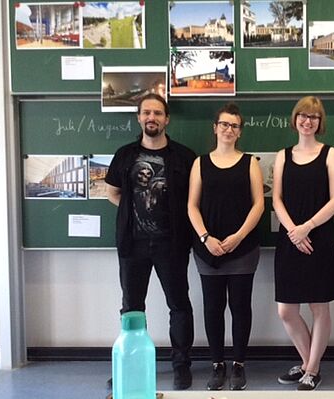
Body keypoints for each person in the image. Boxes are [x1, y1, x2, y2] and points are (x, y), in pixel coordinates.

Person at [105, 93, 196, 390]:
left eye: (157, 113)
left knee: (179, 304)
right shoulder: (125, 155)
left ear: (167, 119)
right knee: (132, 306)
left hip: (172, 243)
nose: (151, 118)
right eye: (146, 113)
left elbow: (195, 199)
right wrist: (135, 215)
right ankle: (130, 365)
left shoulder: (184, 157)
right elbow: (113, 192)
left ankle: (182, 366)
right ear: (139, 117)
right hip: (133, 244)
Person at [187, 103, 264, 391]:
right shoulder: (200, 163)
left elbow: (259, 204)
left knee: (241, 306)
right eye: (224, 124)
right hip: (208, 248)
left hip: (242, 248)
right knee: (213, 307)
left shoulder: (250, 163)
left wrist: (239, 236)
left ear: (239, 131)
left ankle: (239, 364)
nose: (229, 129)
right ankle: (217, 364)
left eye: (234, 125)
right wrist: (207, 237)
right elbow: (192, 206)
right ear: (215, 127)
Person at [273, 96, 334, 391]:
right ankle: (307, 364)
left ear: (320, 122)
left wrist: (307, 228)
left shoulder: (330, 154)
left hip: (319, 237)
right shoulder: (282, 155)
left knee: (319, 306)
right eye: (303, 115)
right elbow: (276, 198)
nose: (307, 120)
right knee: (286, 310)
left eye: (313, 117)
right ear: (295, 119)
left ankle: (312, 369)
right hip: (291, 238)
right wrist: (293, 231)